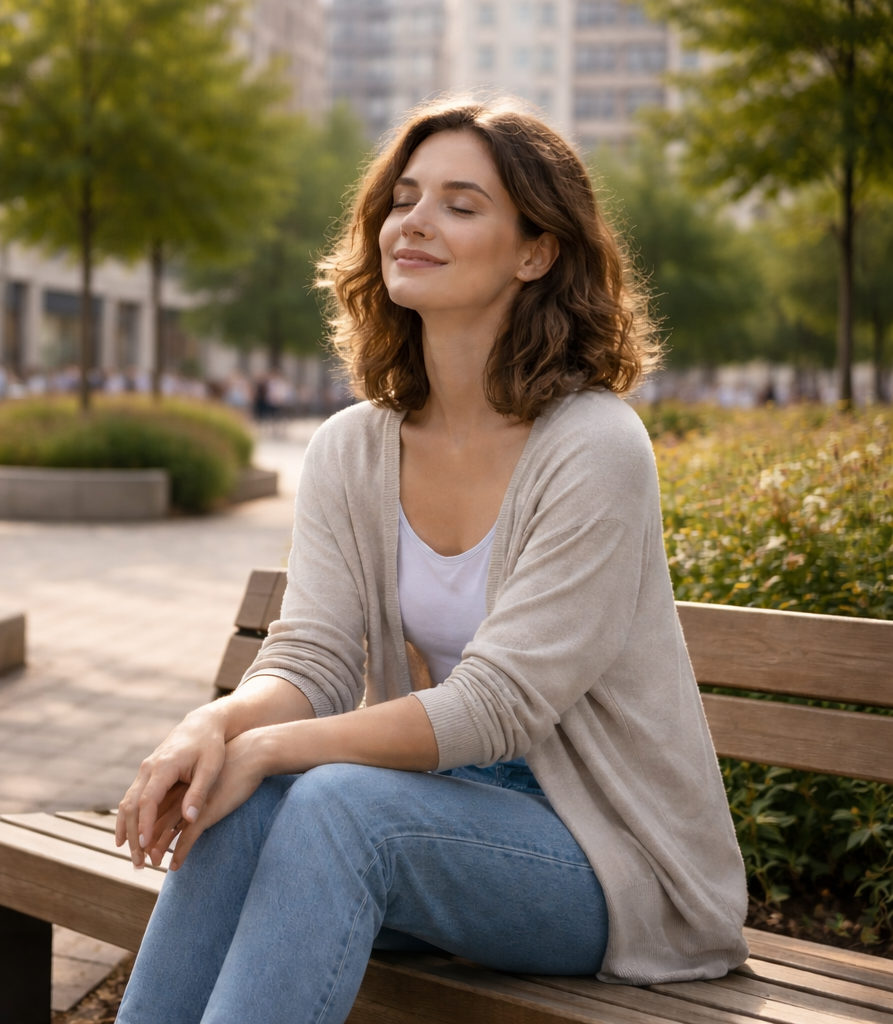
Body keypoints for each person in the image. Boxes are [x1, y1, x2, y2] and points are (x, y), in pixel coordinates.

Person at [114, 98, 747, 1024]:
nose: (413, 221)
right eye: (403, 198)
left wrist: (270, 748)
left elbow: (496, 706)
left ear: (536, 252)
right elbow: (313, 658)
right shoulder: (350, 448)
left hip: (610, 860)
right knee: (243, 799)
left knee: (326, 802)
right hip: (434, 821)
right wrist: (212, 729)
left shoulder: (594, 446)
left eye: (460, 203)